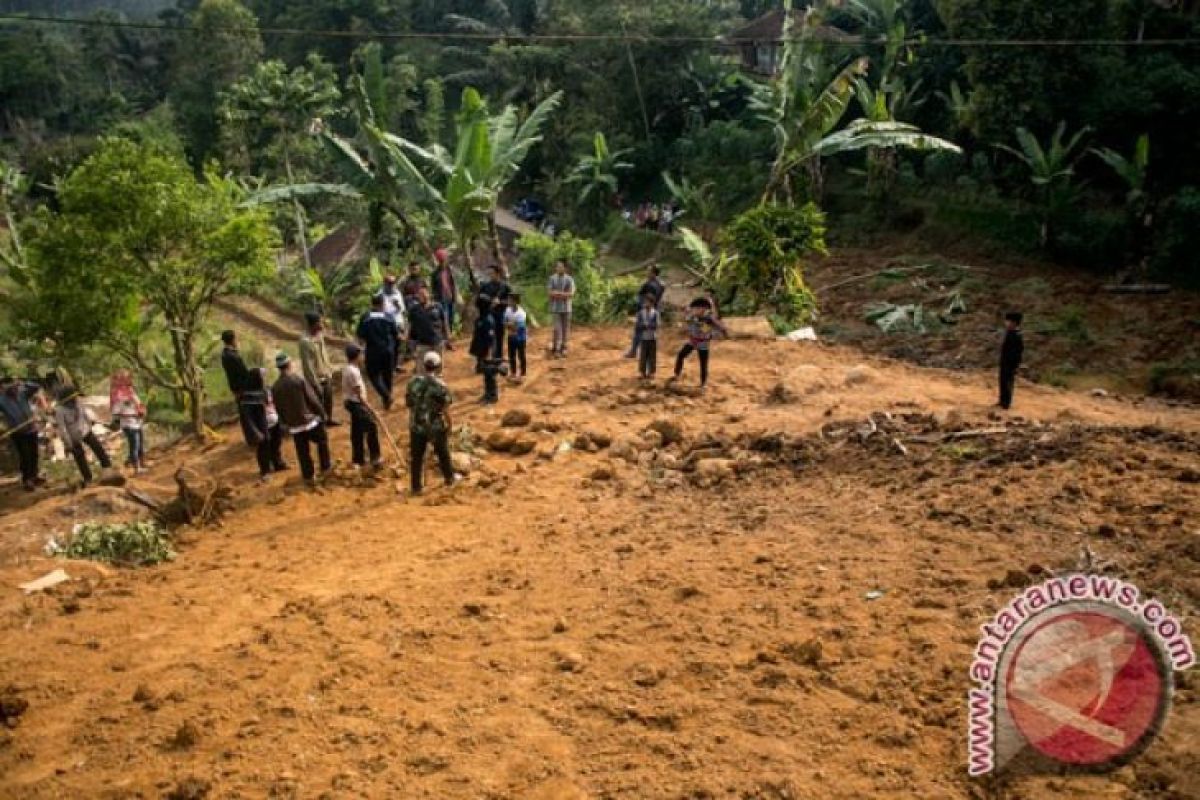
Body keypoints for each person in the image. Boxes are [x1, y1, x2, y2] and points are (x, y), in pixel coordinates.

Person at [272, 352, 331, 487]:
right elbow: (312, 400)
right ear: (289, 364)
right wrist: (322, 413)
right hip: (309, 421)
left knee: (303, 452)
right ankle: (325, 467)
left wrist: (285, 424)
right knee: (322, 441)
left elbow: (278, 408)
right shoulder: (298, 380)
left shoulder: (275, 387)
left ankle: (308, 476)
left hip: (294, 425)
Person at [405, 351, 457, 495]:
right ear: (438, 366)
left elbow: (409, 404)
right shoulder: (441, 386)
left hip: (416, 425)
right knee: (443, 453)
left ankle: (416, 487)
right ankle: (449, 478)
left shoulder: (412, 383)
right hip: (435, 426)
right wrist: (450, 425)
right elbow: (446, 409)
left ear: (423, 365)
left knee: (417, 457)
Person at [55, 387, 113, 487]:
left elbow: (85, 415)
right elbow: (63, 428)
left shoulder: (78, 403)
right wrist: (69, 443)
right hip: (73, 437)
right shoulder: (60, 411)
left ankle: (107, 468)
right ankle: (88, 479)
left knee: (98, 448)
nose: (74, 399)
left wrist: (90, 427)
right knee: (80, 458)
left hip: (86, 430)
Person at [239, 367, 287, 481]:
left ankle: (278, 464)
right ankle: (265, 471)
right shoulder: (248, 398)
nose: (264, 378)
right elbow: (247, 419)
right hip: (262, 427)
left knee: (276, 444)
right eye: (262, 376)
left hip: (274, 422)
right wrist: (255, 432)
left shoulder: (267, 389)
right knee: (263, 449)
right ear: (256, 379)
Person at [342, 343, 382, 472]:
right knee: (371, 426)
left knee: (357, 431)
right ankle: (375, 458)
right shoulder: (353, 371)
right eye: (361, 354)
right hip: (356, 403)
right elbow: (358, 394)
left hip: (351, 402)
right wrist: (370, 408)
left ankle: (358, 459)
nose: (363, 356)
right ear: (356, 356)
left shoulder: (349, 368)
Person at [671, 298, 727, 389]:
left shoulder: (709, 319)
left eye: (697, 308)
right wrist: (684, 315)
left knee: (703, 364)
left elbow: (719, 331)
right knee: (681, 355)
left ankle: (703, 383)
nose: (694, 310)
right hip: (692, 341)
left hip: (703, 343)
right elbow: (686, 320)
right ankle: (677, 374)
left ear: (704, 309)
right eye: (694, 308)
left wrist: (707, 331)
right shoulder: (692, 317)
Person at [1, 375, 44, 491]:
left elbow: (36, 386)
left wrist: (21, 381)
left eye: (15, 387)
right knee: (25, 456)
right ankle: (27, 480)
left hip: (31, 429)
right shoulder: (2, 400)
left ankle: (34, 476)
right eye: (11, 387)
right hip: (18, 432)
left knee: (34, 453)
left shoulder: (22, 393)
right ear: (5, 388)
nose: (14, 389)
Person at [357, 295, 399, 409]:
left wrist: (360, 351)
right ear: (382, 304)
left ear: (372, 304)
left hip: (373, 351)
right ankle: (387, 400)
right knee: (388, 375)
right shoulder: (388, 316)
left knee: (373, 375)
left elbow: (360, 337)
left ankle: (386, 396)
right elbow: (395, 335)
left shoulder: (365, 317)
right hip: (388, 350)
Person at [299, 312, 340, 427]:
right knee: (318, 403)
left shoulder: (319, 336)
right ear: (313, 325)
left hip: (326, 375)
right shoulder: (305, 342)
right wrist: (315, 383)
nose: (322, 325)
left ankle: (328, 420)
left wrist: (330, 370)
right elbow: (308, 365)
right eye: (319, 322)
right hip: (316, 379)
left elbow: (324, 356)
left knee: (328, 400)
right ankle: (320, 424)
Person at [625, 264, 666, 358]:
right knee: (651, 333)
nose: (647, 272)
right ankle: (648, 354)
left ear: (653, 273)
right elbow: (657, 299)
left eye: (649, 271)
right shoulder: (662, 284)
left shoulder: (648, 284)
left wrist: (638, 307)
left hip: (645, 310)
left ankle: (634, 351)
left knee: (639, 331)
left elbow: (644, 299)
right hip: (655, 310)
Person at [109, 370, 146, 472]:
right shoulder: (118, 394)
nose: (130, 379)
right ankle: (137, 468)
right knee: (135, 445)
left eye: (129, 377)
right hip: (129, 424)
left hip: (137, 422)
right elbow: (115, 412)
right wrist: (131, 414)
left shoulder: (131, 391)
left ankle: (141, 464)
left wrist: (141, 411)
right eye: (126, 378)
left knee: (140, 445)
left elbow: (139, 405)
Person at [478, 265, 510, 360]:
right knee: (489, 335)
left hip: (501, 314)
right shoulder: (485, 286)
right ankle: (488, 356)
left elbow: (512, 301)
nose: (490, 275)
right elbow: (479, 300)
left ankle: (499, 356)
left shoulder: (505, 287)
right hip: (488, 315)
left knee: (500, 335)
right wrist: (486, 299)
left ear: (498, 274)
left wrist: (500, 302)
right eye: (489, 273)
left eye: (492, 273)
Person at [406, 286, 440, 376]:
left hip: (437, 340)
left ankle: (436, 386)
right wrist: (407, 337)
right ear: (418, 296)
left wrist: (448, 335)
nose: (423, 296)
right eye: (420, 294)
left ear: (429, 294)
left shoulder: (437, 306)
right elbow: (409, 324)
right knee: (421, 369)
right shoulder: (414, 309)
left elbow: (444, 321)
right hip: (422, 342)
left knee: (438, 368)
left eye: (425, 294)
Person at [377, 274, 407, 374]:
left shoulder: (397, 293)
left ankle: (395, 366)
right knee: (388, 346)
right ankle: (388, 368)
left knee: (397, 346)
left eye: (393, 283)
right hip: (385, 324)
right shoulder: (380, 295)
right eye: (389, 283)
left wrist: (397, 305)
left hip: (397, 322)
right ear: (385, 283)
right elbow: (377, 310)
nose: (391, 285)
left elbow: (402, 309)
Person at [547, 259, 576, 358]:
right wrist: (563, 294)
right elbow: (550, 293)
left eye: (560, 266)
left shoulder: (569, 279)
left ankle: (564, 347)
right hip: (555, 308)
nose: (558, 268)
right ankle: (556, 349)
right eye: (557, 266)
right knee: (557, 328)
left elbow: (571, 294)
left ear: (565, 268)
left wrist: (558, 293)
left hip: (567, 308)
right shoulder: (552, 278)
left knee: (565, 329)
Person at [999, 311, 1025, 410]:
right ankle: (1002, 401)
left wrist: (1016, 364)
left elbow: (1019, 351)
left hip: (1011, 363)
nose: (1006, 323)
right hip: (1005, 361)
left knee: (1008, 382)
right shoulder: (1010, 333)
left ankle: (1006, 403)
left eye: (1008, 321)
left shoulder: (1017, 335)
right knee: (1002, 381)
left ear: (1014, 323)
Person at [431, 248, 458, 340]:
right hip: (441, 300)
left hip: (450, 298)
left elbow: (453, 284)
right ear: (439, 261)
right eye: (441, 260)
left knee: (450, 318)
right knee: (444, 319)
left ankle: (449, 340)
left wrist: (455, 296)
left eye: (444, 259)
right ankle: (445, 340)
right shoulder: (435, 274)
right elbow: (433, 288)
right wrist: (435, 300)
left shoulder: (449, 270)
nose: (443, 261)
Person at [220, 330, 252, 398]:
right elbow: (244, 372)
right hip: (241, 387)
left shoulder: (224, 354)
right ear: (232, 340)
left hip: (234, 386)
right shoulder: (233, 356)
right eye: (236, 339)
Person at [635, 295, 660, 380]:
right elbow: (637, 325)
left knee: (652, 356)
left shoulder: (655, 313)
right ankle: (642, 372)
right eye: (645, 302)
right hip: (643, 338)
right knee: (643, 356)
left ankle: (651, 372)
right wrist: (646, 326)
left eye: (648, 302)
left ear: (652, 303)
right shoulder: (640, 313)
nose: (646, 303)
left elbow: (657, 325)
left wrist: (647, 325)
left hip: (653, 338)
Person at [505, 292, 529, 380]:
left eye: (510, 300)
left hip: (520, 338)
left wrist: (510, 325)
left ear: (515, 301)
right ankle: (513, 373)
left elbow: (518, 327)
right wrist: (511, 324)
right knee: (511, 355)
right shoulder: (508, 310)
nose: (508, 301)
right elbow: (505, 323)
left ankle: (523, 374)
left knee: (521, 355)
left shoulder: (521, 313)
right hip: (511, 336)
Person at [470, 304, 496, 374]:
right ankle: (480, 365)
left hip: (486, 341)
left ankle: (485, 366)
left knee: (485, 353)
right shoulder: (479, 319)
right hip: (479, 340)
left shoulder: (489, 319)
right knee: (479, 353)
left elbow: (491, 333)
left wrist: (490, 343)